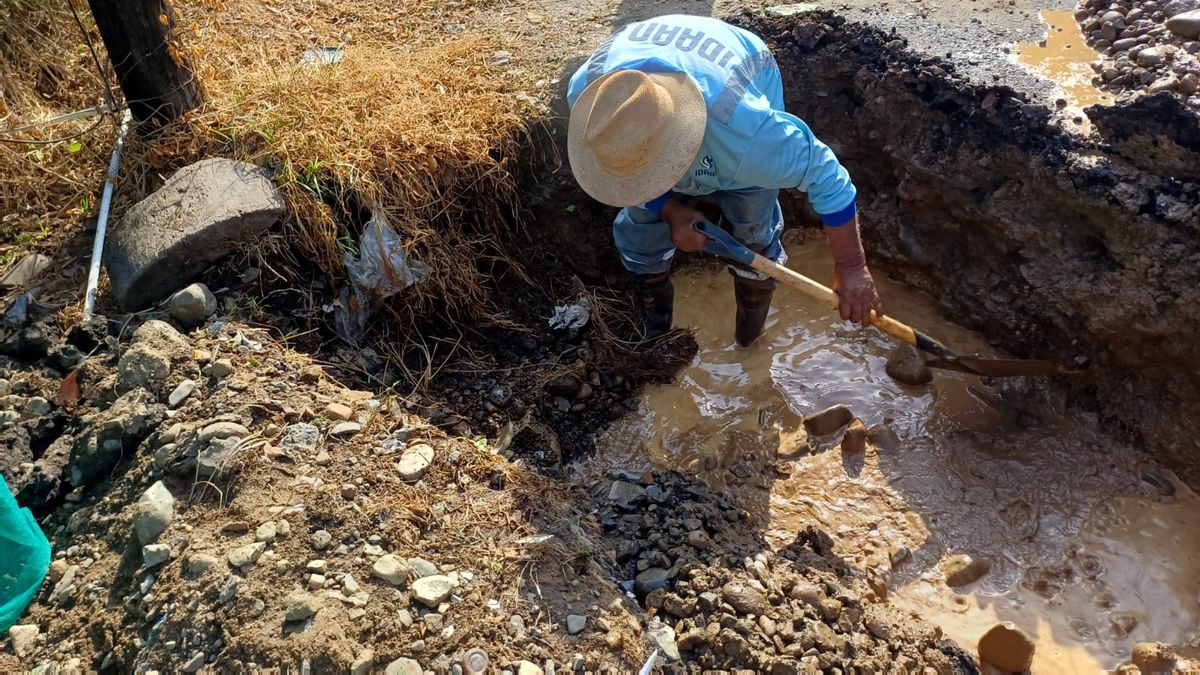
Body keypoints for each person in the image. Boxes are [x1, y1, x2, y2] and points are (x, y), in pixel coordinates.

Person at [566, 14, 883, 347]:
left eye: (654, 171)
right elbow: (620, 174)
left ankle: (750, 338)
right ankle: (654, 330)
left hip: (741, 76)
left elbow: (828, 178)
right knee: (640, 231)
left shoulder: (750, 136)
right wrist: (669, 209)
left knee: (753, 231)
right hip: (654, 52)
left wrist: (851, 267)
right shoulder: (594, 105)